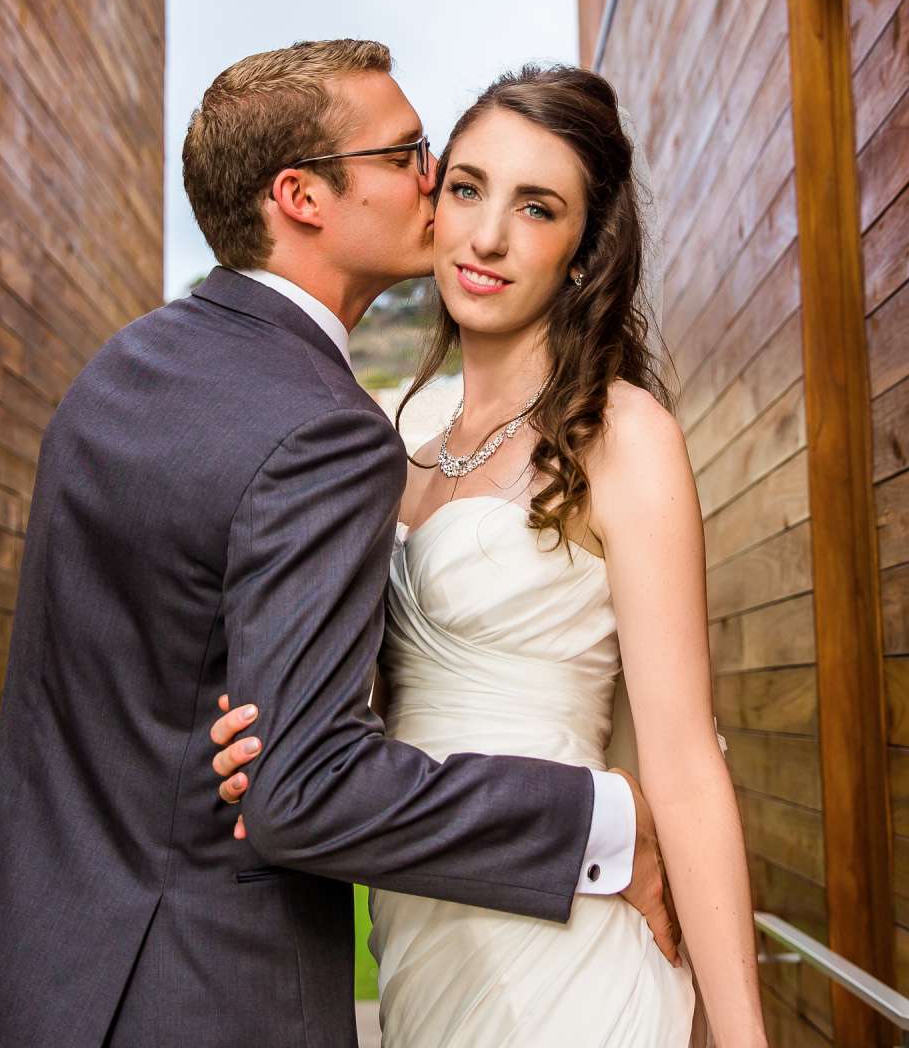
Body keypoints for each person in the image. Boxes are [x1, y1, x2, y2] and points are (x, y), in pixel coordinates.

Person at [0, 42, 678, 1048]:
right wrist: (602, 824)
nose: (429, 181)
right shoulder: (326, 429)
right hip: (198, 998)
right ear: (301, 196)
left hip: (11, 982)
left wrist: (298, 721)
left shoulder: (116, 374)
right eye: (406, 153)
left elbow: (154, 682)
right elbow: (300, 793)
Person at [207, 65, 768, 1047]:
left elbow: (682, 762)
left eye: (538, 206)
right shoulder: (385, 427)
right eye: (467, 187)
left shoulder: (624, 436)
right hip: (424, 935)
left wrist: (742, 1033)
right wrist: (258, 731)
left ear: (583, 250)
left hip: (569, 944)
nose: (490, 235)